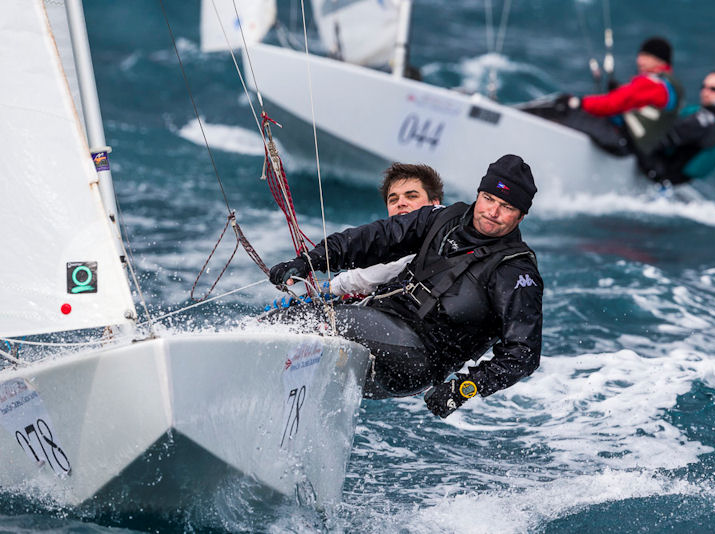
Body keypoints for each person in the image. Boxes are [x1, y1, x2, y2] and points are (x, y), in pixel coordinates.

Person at [268, 155, 543, 419]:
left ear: (521, 216)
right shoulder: (445, 219)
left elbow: (523, 354)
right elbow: (375, 238)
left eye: (506, 207)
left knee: (322, 321)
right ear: (479, 194)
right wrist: (309, 261)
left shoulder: (516, 271)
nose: (492, 212)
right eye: (489, 199)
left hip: (417, 360)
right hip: (380, 324)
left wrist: (462, 389)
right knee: (282, 319)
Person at [526, 36, 684, 158]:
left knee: (564, 111)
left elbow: (613, 103)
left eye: (647, 56)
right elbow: (635, 101)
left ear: (660, 60)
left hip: (622, 141)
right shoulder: (669, 86)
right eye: (641, 55)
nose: (640, 60)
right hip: (635, 147)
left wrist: (578, 102)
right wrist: (620, 90)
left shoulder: (652, 84)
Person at [328, 163, 443, 297]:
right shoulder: (384, 243)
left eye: (411, 196)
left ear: (435, 203)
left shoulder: (442, 235)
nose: (401, 203)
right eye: (393, 200)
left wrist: (330, 287)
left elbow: (386, 270)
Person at [640, 70, 715, 185]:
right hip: (677, 180)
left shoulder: (703, 121)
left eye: (713, 89)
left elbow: (663, 138)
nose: (705, 92)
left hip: (659, 173)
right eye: (703, 87)